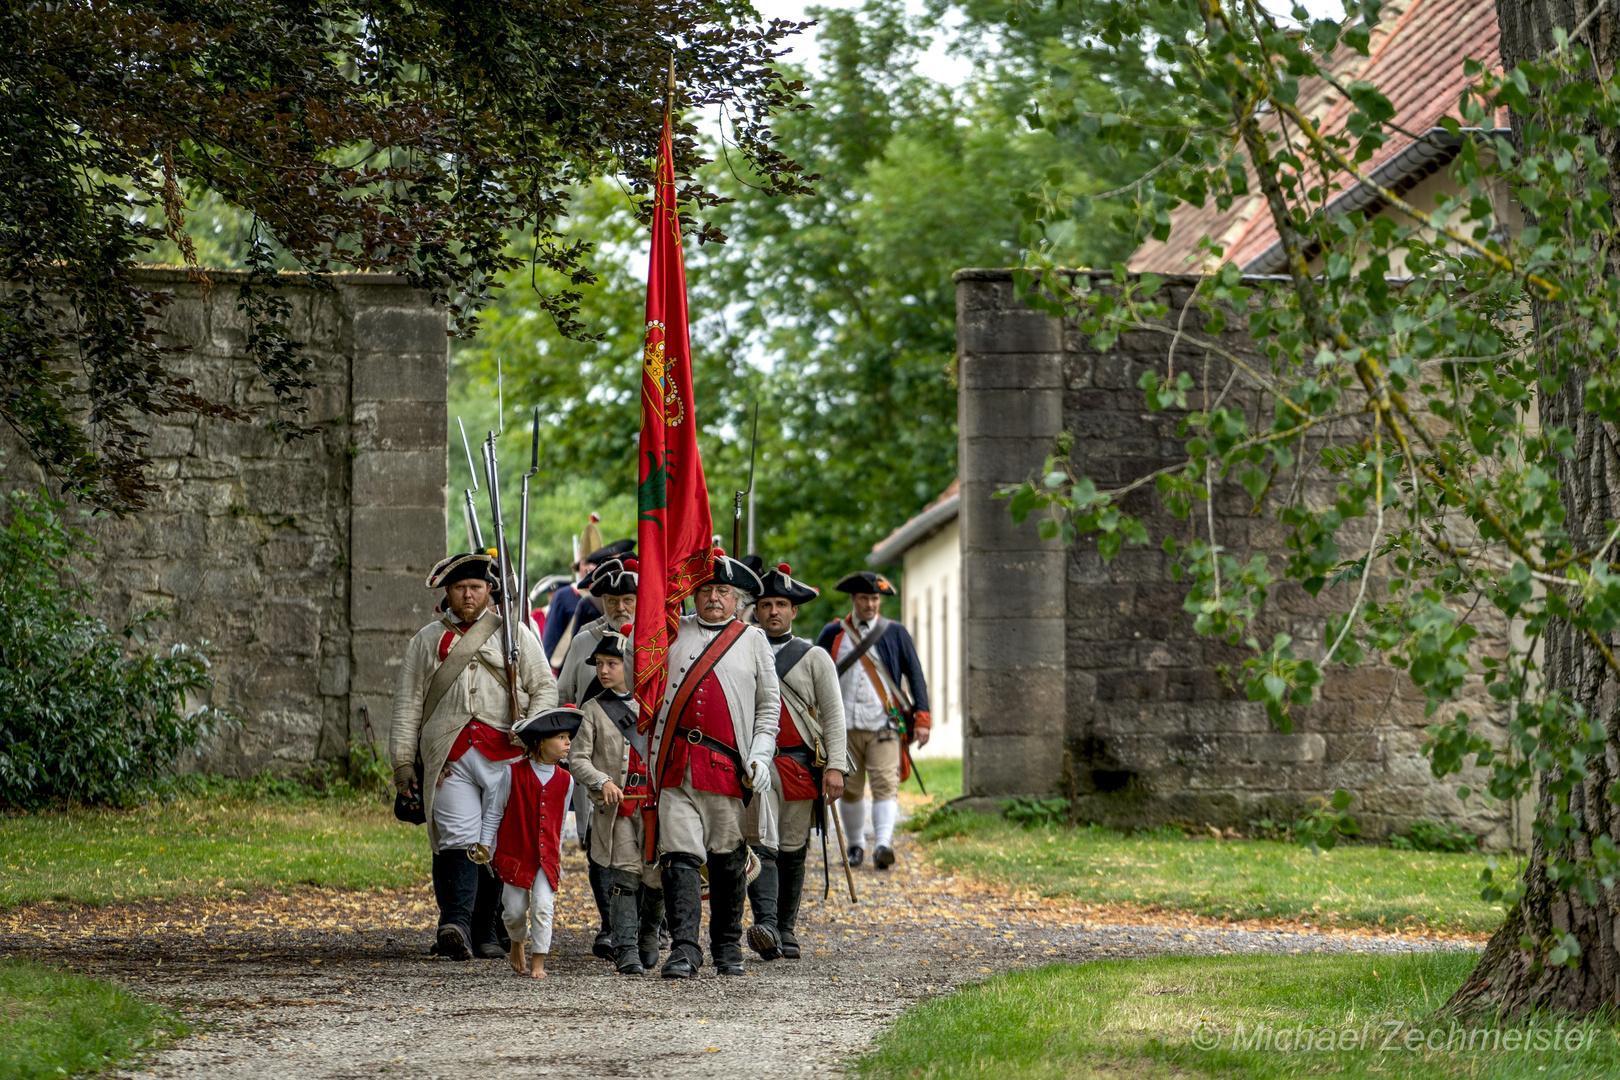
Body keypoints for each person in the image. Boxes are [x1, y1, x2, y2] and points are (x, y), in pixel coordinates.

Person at [389, 552, 559, 960]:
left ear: (489, 591)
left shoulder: (513, 633)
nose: (469, 594)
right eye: (461, 588)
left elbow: (545, 690)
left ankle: (487, 931)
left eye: (477, 588)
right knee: (458, 839)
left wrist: (529, 731)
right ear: (448, 591)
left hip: (507, 752)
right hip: (450, 755)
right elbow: (408, 704)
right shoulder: (427, 640)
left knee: (497, 842)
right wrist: (401, 763)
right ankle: (457, 925)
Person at [650, 552, 780, 978]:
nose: (714, 598)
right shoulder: (672, 631)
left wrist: (760, 753)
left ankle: (727, 946)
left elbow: (768, 708)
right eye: (706, 589)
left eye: (723, 591)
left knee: (727, 857)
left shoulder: (753, 640)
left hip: (726, 766)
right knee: (680, 856)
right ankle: (685, 949)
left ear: (737, 598)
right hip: (676, 763)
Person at [745, 563, 847, 960]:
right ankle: (766, 924)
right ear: (756, 610)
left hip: (800, 765)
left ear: (794, 611)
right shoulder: (741, 648)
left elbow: (834, 715)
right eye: (766, 603)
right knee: (761, 844)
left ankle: (786, 929)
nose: (773, 611)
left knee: (792, 848)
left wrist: (835, 765)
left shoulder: (814, 657)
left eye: (781, 604)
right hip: (758, 765)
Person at [553, 555, 639, 961]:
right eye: (611, 599)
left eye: (627, 598)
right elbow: (566, 694)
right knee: (597, 843)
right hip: (594, 758)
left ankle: (642, 925)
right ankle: (610, 925)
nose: (619, 607)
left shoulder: (658, 639)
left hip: (640, 761)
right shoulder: (586, 641)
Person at [815, 571, 930, 871]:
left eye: (875, 598)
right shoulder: (832, 633)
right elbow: (814, 676)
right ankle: (855, 846)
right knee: (849, 789)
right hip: (843, 728)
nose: (870, 604)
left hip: (884, 725)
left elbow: (915, 676)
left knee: (885, 785)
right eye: (865, 598)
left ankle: (882, 844)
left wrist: (922, 719)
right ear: (853, 599)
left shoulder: (895, 632)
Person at [568, 626, 663, 975]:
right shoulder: (593, 709)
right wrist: (602, 780)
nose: (604, 671)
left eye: (612, 663)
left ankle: (649, 934)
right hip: (619, 807)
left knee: (655, 878)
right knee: (625, 878)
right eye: (599, 664)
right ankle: (626, 949)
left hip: (656, 805)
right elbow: (578, 759)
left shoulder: (658, 703)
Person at [474, 705, 580, 979]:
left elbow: (557, 820)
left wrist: (557, 857)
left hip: (546, 861)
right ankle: (517, 943)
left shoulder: (566, 780)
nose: (568, 742)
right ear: (540, 742)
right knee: (514, 912)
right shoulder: (512, 773)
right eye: (560, 737)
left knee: (544, 908)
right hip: (516, 856)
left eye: (569, 737)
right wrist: (485, 846)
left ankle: (538, 962)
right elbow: (495, 811)